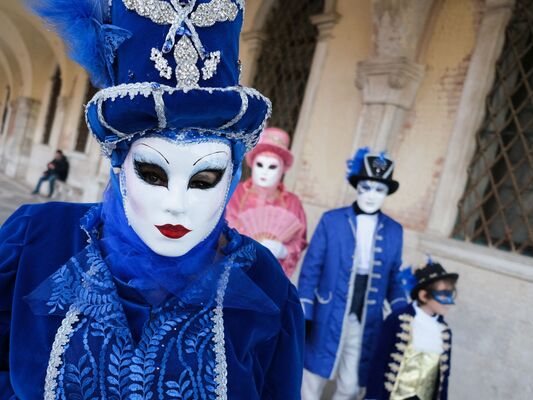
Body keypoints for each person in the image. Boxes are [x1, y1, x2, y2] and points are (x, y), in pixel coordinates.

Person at [0, 1, 303, 399]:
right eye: (153, 173)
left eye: (205, 178)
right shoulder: (36, 243)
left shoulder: (265, 286)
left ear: (231, 177)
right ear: (119, 166)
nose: (176, 204)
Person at [298, 148, 408, 399]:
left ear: (386, 193)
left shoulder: (394, 230)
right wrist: (306, 310)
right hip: (328, 311)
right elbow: (311, 269)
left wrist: (403, 312)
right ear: (357, 188)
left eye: (379, 189)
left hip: (367, 316)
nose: (371, 195)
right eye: (366, 187)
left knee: (351, 384)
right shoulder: (331, 220)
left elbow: (393, 276)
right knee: (312, 377)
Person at [365, 261, 458, 400]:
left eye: (451, 294)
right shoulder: (397, 319)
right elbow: (379, 360)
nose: (449, 301)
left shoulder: (445, 332)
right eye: (444, 294)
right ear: (423, 295)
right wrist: (372, 396)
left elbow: (444, 377)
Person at [227, 127, 307, 278]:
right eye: (260, 164)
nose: (264, 172)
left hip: (268, 277)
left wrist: (284, 251)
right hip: (229, 274)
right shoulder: (233, 194)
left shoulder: (292, 203)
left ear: (282, 169)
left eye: (272, 167)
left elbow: (299, 241)